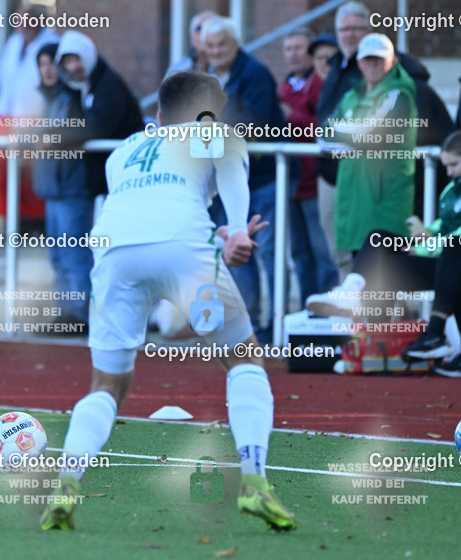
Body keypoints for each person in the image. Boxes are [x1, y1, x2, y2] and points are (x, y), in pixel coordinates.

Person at [39, 71, 295, 532]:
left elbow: (151, 209)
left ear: (157, 114)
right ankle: (255, 481)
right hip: (185, 253)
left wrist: (214, 235)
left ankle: (66, 483)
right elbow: (230, 175)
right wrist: (236, 232)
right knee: (244, 360)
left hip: (116, 253)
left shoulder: (126, 150)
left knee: (106, 385)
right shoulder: (215, 132)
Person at [308, 130, 461, 377]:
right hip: (441, 258)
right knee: (378, 242)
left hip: (453, 261)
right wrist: (425, 232)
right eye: (446, 165)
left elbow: (458, 237)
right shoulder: (452, 189)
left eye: (454, 164)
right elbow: (444, 226)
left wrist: (421, 247)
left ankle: (426, 336)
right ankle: (354, 302)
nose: (449, 172)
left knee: (452, 253)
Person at [202, 16, 285, 344]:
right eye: (210, 45)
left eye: (222, 43)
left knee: (268, 253)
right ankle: (246, 324)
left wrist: (215, 129)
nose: (216, 50)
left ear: (235, 43)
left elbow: (256, 122)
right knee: (235, 252)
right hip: (226, 181)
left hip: (261, 179)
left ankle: (276, 323)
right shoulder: (208, 76)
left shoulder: (255, 74)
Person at [321, 33, 416, 255]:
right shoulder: (352, 95)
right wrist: (355, 134)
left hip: (385, 202)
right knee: (358, 279)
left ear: (393, 61)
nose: (373, 64)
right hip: (354, 198)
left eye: (379, 59)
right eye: (368, 59)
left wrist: (345, 131)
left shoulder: (398, 95)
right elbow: (324, 132)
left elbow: (373, 134)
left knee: (387, 282)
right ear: (359, 62)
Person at [31, 42, 91, 332]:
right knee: (58, 256)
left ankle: (79, 314)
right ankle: (67, 314)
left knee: (73, 254)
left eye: (52, 62)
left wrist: (50, 139)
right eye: (42, 64)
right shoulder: (47, 98)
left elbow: (82, 129)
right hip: (52, 187)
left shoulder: (75, 96)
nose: (48, 69)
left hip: (71, 186)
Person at [279, 28, 339, 302]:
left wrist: (294, 118)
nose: (293, 54)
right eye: (288, 48)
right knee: (299, 252)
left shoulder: (323, 84)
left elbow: (325, 128)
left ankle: (327, 311)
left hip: (315, 180)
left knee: (323, 250)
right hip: (290, 181)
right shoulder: (284, 87)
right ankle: (307, 308)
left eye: (299, 48)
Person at [55, 30, 143, 201]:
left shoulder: (109, 86)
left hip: (121, 177)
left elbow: (96, 128)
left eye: (76, 59)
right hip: (105, 179)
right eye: (68, 62)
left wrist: (52, 139)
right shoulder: (80, 87)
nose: (74, 67)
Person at [0, 6, 57, 117]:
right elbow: (4, 77)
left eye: (28, 21)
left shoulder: (51, 43)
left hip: (38, 115)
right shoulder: (13, 42)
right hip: (8, 116)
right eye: (19, 21)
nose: (23, 25)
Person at [165, 9, 219, 77]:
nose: (204, 34)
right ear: (191, 38)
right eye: (199, 29)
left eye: (209, 28)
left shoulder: (230, 69)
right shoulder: (179, 69)